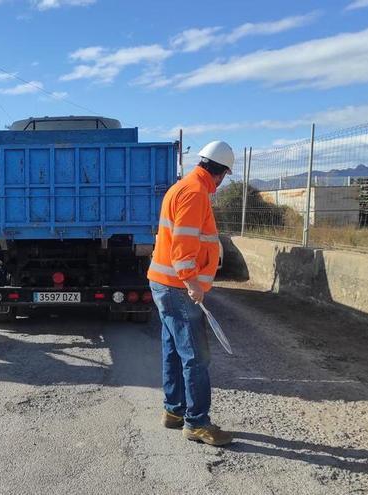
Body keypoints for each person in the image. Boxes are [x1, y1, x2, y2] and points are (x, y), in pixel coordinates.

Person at [147, 140, 234, 446]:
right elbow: (184, 243)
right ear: (221, 173)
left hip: (165, 283)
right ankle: (196, 423)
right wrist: (192, 282)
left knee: (174, 350)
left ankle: (174, 411)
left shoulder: (181, 187)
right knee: (196, 357)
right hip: (178, 286)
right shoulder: (196, 193)